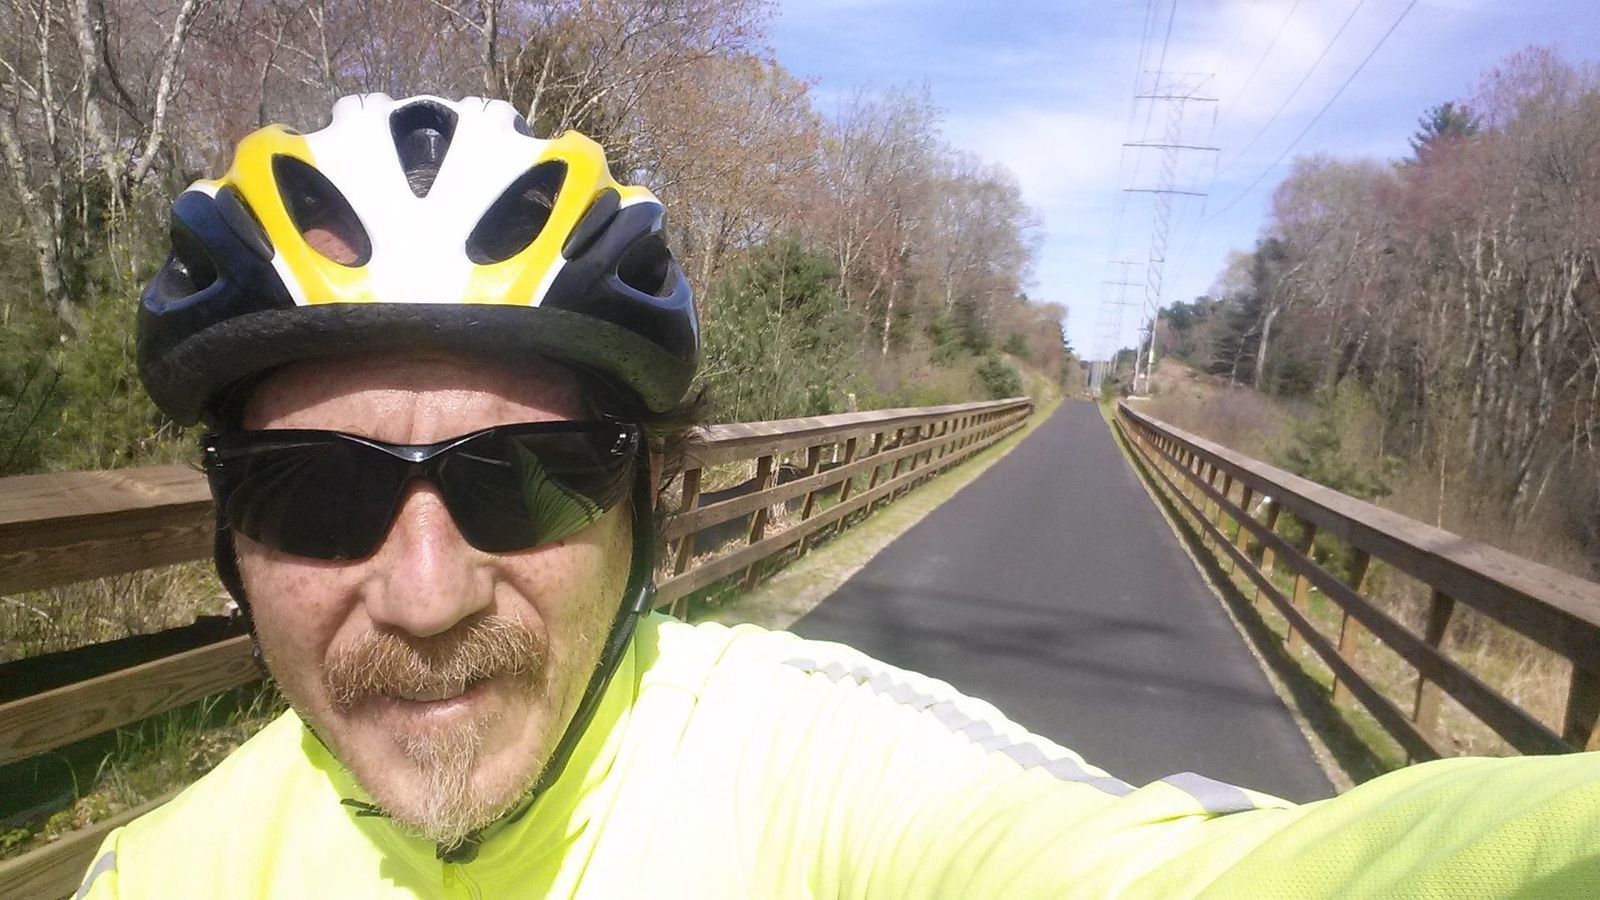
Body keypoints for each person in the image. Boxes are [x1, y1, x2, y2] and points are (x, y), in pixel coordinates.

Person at [77, 94, 1600, 899]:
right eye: (314, 495)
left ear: (646, 508)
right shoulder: (157, 876)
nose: (425, 596)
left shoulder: (814, 773)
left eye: (526, 479)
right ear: (227, 533)